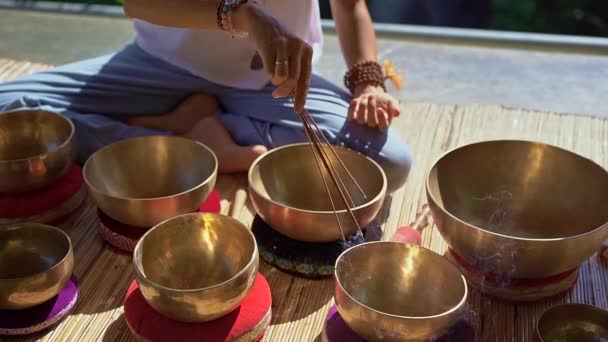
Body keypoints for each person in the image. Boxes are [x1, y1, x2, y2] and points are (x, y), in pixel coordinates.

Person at [0, 0, 412, 193]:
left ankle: (211, 131)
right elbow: (137, 3)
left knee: (385, 162)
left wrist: (367, 82)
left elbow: (350, 4)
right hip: (160, 67)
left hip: (271, 81)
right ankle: (182, 141)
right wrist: (244, 16)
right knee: (6, 108)